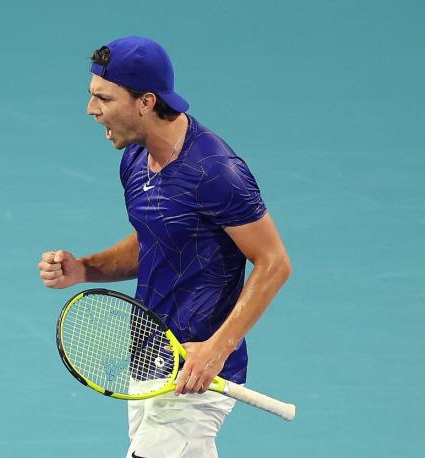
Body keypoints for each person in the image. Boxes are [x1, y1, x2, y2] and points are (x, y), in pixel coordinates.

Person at [38, 36, 292, 458]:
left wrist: (216, 350)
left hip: (194, 373)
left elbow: (274, 263)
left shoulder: (215, 172)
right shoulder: (135, 160)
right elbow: (154, 240)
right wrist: (86, 268)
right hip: (147, 357)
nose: (91, 109)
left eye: (104, 98)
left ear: (145, 102)